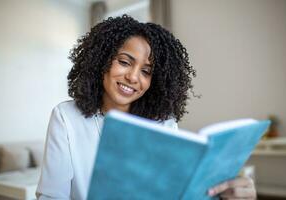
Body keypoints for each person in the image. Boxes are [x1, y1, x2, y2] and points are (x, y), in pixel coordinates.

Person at [36, 15, 256, 200]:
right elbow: (51, 196)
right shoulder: (66, 116)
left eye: (146, 71)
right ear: (101, 60)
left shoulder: (164, 122)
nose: (133, 77)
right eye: (124, 62)